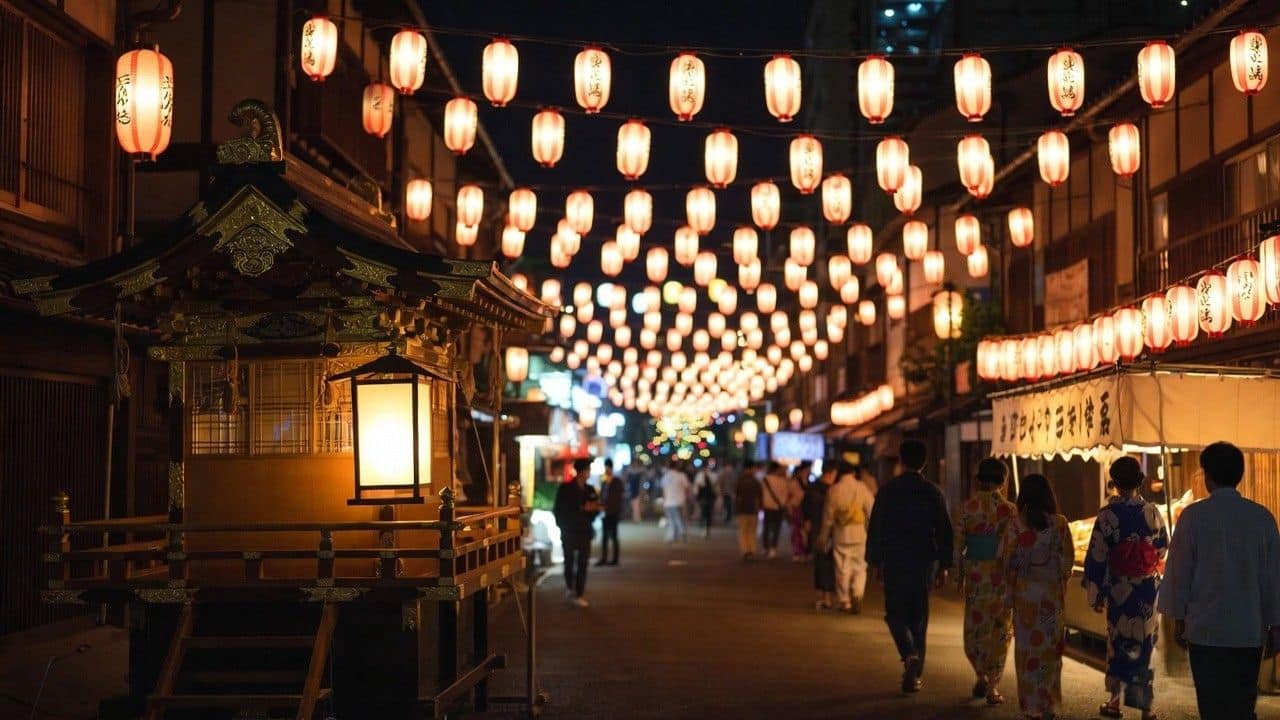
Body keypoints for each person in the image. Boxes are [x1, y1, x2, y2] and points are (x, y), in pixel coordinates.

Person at [1158, 441, 1280, 720]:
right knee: (1242, 705)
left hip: (1205, 630)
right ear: (1240, 475)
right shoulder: (1262, 519)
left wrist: (1179, 620)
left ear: (1208, 477)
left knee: (1212, 706)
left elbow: (1179, 573)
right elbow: (1274, 577)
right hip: (1249, 630)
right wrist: (1276, 624)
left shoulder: (1193, 518)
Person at [1083, 457, 1169, 720]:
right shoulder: (1153, 512)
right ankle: (1146, 708)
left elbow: (1097, 555)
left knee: (1119, 642)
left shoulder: (1107, 515)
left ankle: (1114, 703)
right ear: (1141, 482)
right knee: (1145, 644)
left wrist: (1095, 592)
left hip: (1120, 588)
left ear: (1114, 483)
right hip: (1146, 589)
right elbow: (1162, 547)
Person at [866, 440, 953, 694]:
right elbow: (944, 531)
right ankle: (914, 671)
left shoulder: (887, 491)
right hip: (924, 561)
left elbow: (877, 528)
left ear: (901, 461)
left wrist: (876, 561)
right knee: (919, 616)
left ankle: (908, 653)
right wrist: (944, 565)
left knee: (894, 613)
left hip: (895, 559)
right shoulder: (933, 492)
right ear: (925, 463)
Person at [1000, 473, 1073, 720]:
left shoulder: (1015, 525)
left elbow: (1008, 562)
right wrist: (1058, 581)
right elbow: (1067, 562)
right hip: (1051, 598)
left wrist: (1011, 589)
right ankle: (1048, 703)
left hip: (1025, 598)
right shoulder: (1060, 524)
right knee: (1050, 651)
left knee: (1027, 651)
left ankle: (1030, 705)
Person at [952, 457, 1017, 706]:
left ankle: (980, 672)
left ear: (978, 479)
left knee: (975, 626)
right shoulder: (1010, 510)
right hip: (1001, 575)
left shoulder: (967, 508)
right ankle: (992, 685)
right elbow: (1013, 546)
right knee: (1000, 629)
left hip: (977, 574)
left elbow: (958, 544)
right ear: (1003, 481)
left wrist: (958, 575)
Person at [819, 461, 875, 614]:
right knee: (860, 567)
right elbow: (872, 510)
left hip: (841, 533)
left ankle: (845, 601)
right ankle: (857, 594)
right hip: (859, 533)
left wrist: (823, 536)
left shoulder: (834, 490)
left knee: (842, 568)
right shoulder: (862, 488)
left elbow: (828, 518)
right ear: (853, 473)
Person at [552, 458, 601, 608]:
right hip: (569, 531)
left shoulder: (590, 490)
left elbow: (595, 509)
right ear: (581, 471)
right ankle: (569, 587)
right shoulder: (566, 488)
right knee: (569, 562)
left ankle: (579, 593)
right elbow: (558, 510)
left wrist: (592, 511)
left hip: (584, 531)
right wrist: (562, 525)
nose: (589, 472)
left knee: (582, 563)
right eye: (587, 470)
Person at [803, 461, 837, 609]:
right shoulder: (833, 490)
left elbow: (804, 507)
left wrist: (807, 521)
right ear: (831, 473)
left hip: (816, 528)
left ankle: (821, 596)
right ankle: (828, 597)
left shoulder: (812, 488)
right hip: (830, 530)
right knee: (829, 563)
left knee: (820, 563)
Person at [760, 462, 790, 559]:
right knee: (776, 528)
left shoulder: (765, 479)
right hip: (779, 508)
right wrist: (782, 503)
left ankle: (766, 547)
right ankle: (773, 548)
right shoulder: (783, 481)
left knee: (767, 528)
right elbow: (785, 494)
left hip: (767, 507)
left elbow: (762, 493)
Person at [598, 458, 624, 566]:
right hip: (605, 512)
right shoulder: (604, 482)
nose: (606, 470)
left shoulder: (617, 482)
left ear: (611, 468)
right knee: (604, 536)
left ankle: (615, 559)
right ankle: (604, 558)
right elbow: (602, 497)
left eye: (607, 468)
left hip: (613, 512)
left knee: (613, 535)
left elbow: (618, 497)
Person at [734, 461, 763, 559]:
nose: (755, 470)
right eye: (754, 468)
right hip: (753, 510)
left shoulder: (739, 480)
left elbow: (737, 496)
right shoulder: (755, 481)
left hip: (742, 510)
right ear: (750, 468)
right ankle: (751, 549)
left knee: (743, 531)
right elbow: (759, 497)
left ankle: (745, 550)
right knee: (751, 531)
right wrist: (758, 508)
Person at [787, 462, 812, 561]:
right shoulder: (794, 483)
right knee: (797, 531)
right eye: (807, 470)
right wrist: (790, 509)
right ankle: (797, 551)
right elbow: (789, 497)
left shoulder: (808, 482)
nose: (808, 472)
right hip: (797, 509)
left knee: (805, 531)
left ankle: (804, 551)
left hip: (805, 508)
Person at [660, 461, 691, 544]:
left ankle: (673, 535)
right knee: (679, 517)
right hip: (680, 501)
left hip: (669, 501)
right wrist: (686, 498)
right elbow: (687, 489)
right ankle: (680, 532)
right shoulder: (682, 476)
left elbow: (663, 491)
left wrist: (664, 501)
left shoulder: (665, 477)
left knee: (671, 519)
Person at [695, 462, 719, 538]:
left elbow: (697, 487)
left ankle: (704, 527)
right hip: (710, 497)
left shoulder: (700, 475)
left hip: (703, 497)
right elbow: (716, 487)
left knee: (704, 512)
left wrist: (697, 497)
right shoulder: (714, 475)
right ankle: (706, 528)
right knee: (708, 513)